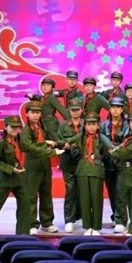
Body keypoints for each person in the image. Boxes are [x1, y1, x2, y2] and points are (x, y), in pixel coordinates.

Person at [21, 100, 65, 235]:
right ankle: (31, 223)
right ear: (27, 114)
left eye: (38, 112)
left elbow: (39, 142)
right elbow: (28, 147)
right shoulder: (26, 130)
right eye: (32, 112)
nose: (35, 115)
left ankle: (47, 222)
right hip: (33, 167)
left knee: (46, 195)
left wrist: (48, 142)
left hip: (45, 166)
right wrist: (50, 151)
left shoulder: (41, 126)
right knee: (31, 196)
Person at [65, 112, 109, 236]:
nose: (91, 127)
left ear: (98, 125)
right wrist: (66, 145)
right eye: (89, 124)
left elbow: (107, 151)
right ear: (85, 126)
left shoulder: (102, 138)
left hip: (96, 170)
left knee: (96, 199)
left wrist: (98, 158)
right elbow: (67, 142)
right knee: (84, 199)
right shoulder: (80, 137)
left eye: (94, 124)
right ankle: (87, 226)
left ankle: (96, 227)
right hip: (82, 170)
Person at [0, 116, 30, 235]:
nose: (15, 129)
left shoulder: (19, 141)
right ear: (5, 127)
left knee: (25, 205)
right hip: (6, 179)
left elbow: (31, 147)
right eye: (12, 127)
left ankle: (23, 234)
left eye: (17, 127)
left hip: (19, 179)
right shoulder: (1, 143)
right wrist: (11, 169)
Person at [99, 97, 130, 230]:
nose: (115, 110)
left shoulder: (128, 125)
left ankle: (121, 220)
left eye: (118, 107)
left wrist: (116, 149)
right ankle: (115, 216)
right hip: (108, 162)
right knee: (112, 192)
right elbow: (100, 141)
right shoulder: (104, 125)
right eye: (113, 107)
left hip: (122, 161)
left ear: (122, 109)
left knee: (120, 192)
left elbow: (128, 140)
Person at [57, 98, 84, 233]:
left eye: (77, 110)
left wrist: (73, 142)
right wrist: (66, 144)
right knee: (70, 190)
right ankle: (68, 220)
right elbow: (59, 140)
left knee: (82, 190)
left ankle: (80, 216)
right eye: (72, 110)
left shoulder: (86, 124)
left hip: (82, 161)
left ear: (82, 110)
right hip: (67, 161)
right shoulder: (63, 125)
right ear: (68, 111)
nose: (75, 112)